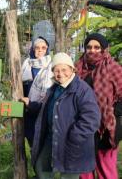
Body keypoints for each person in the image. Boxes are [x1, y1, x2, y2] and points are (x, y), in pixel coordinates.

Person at [21, 52, 100, 179]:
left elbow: (92, 119)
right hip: (52, 138)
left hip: (72, 143)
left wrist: (74, 135)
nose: (60, 74)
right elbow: (47, 109)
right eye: (56, 70)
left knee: (68, 175)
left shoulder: (82, 90)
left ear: (72, 69)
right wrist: (31, 104)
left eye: (64, 69)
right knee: (41, 168)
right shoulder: (54, 88)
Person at [76, 33, 122, 179]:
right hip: (82, 123)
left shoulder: (113, 68)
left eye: (97, 47)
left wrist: (113, 113)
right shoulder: (78, 68)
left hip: (107, 124)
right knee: (84, 167)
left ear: (104, 49)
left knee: (105, 166)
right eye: (89, 47)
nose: (92, 50)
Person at [21, 36, 53, 147]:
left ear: (47, 50)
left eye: (43, 48)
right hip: (28, 110)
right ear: (33, 49)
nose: (40, 50)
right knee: (32, 142)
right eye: (37, 47)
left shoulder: (51, 67)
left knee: (43, 143)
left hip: (44, 110)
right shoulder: (26, 65)